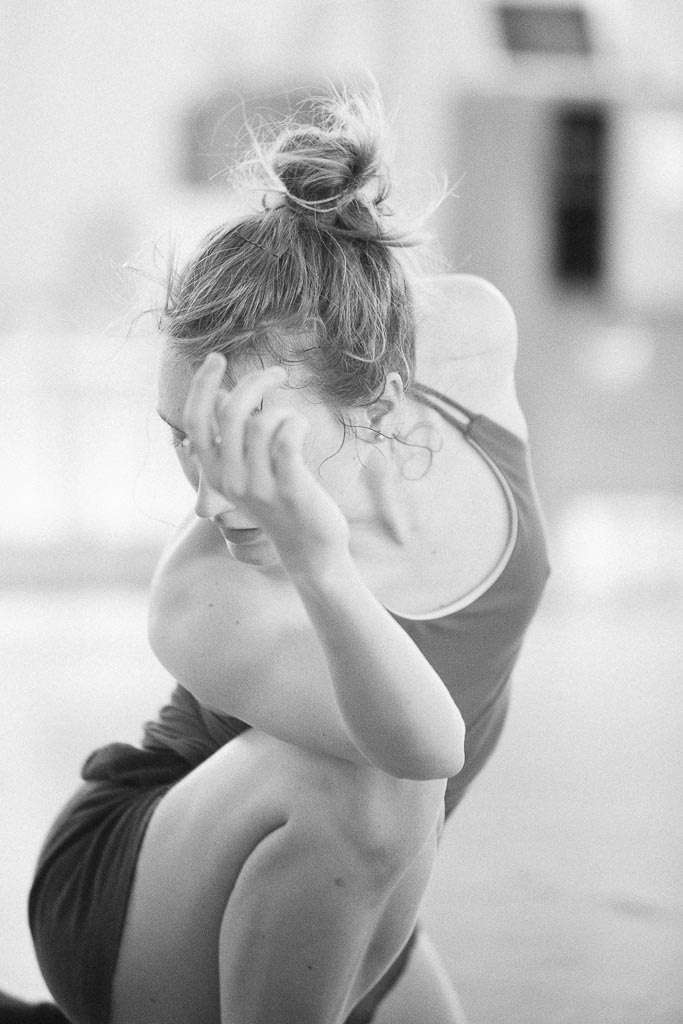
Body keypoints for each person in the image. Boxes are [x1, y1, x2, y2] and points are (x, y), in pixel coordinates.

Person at [26, 90, 550, 1024]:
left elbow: (355, 313)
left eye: (250, 437)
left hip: (362, 888)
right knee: (370, 785)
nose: (211, 493)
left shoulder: (467, 340)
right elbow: (422, 750)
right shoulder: (199, 593)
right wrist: (320, 562)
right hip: (147, 886)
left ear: (382, 401)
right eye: (186, 437)